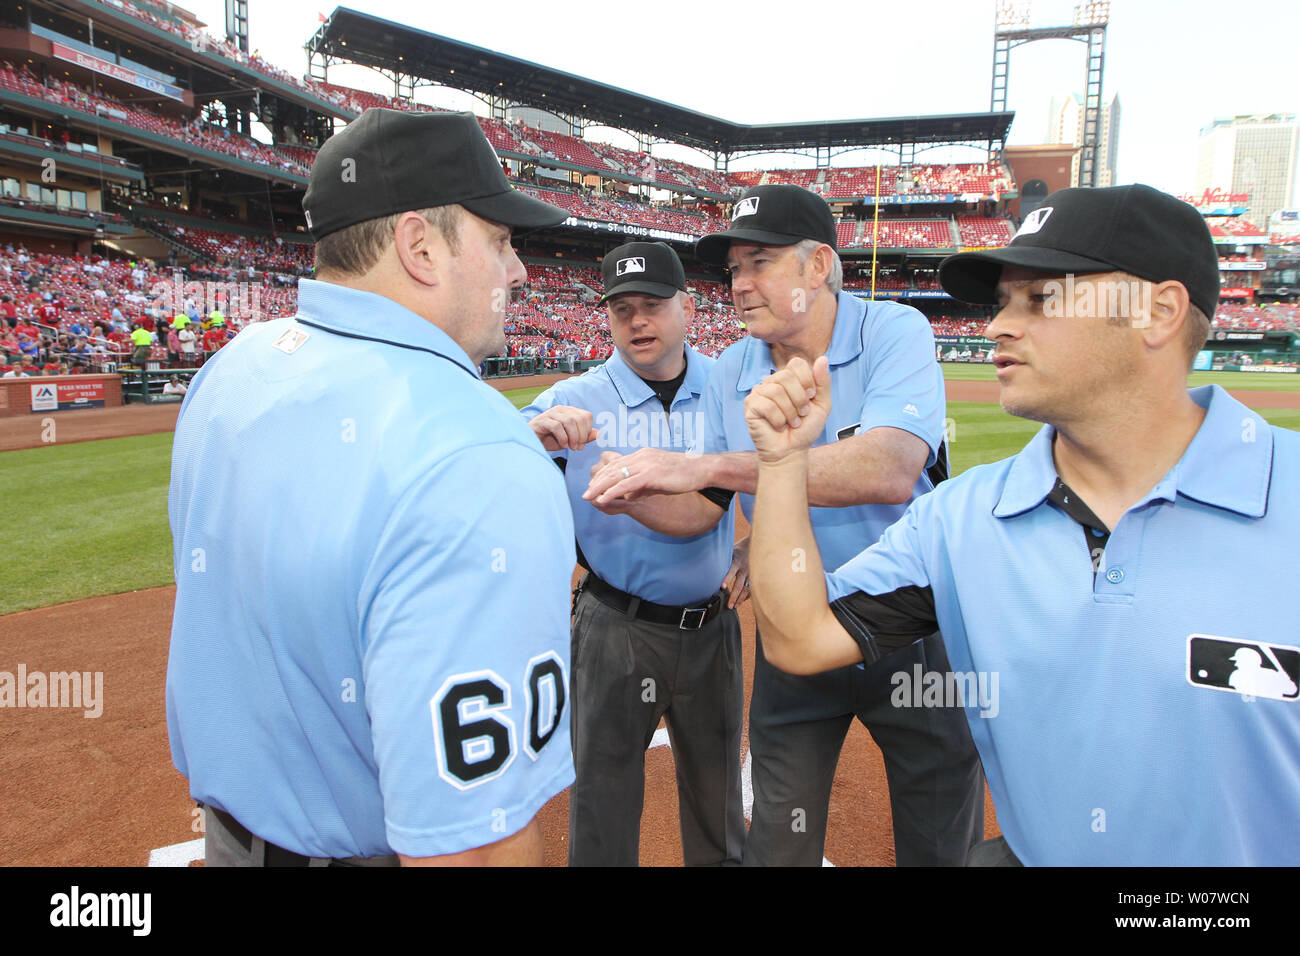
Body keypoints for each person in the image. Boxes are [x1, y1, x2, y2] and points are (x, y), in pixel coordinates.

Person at [743, 183, 1300, 865]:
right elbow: (800, 639)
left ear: (1157, 312)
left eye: (1040, 299)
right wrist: (781, 463)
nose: (997, 327)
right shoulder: (960, 519)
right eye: (1003, 302)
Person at [166, 108, 576, 866]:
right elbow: (474, 848)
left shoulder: (235, 364)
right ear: (420, 247)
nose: (519, 270)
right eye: (500, 240)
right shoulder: (478, 451)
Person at [584, 184, 983, 866]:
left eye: (759, 262)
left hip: (911, 625)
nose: (739, 284)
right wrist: (634, 495)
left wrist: (707, 464)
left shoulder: (893, 330)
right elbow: (703, 507)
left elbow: (889, 467)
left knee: (940, 839)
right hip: (793, 626)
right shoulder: (734, 366)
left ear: (818, 265)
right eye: (734, 268)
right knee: (778, 843)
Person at [521, 241, 746, 866]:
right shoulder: (575, 397)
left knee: (719, 806)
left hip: (713, 628)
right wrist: (530, 437)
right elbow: (488, 460)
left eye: (652, 305)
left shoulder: (728, 387)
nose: (637, 322)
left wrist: (757, 544)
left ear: (689, 309)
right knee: (603, 805)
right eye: (622, 310)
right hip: (615, 628)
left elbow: (777, 471)